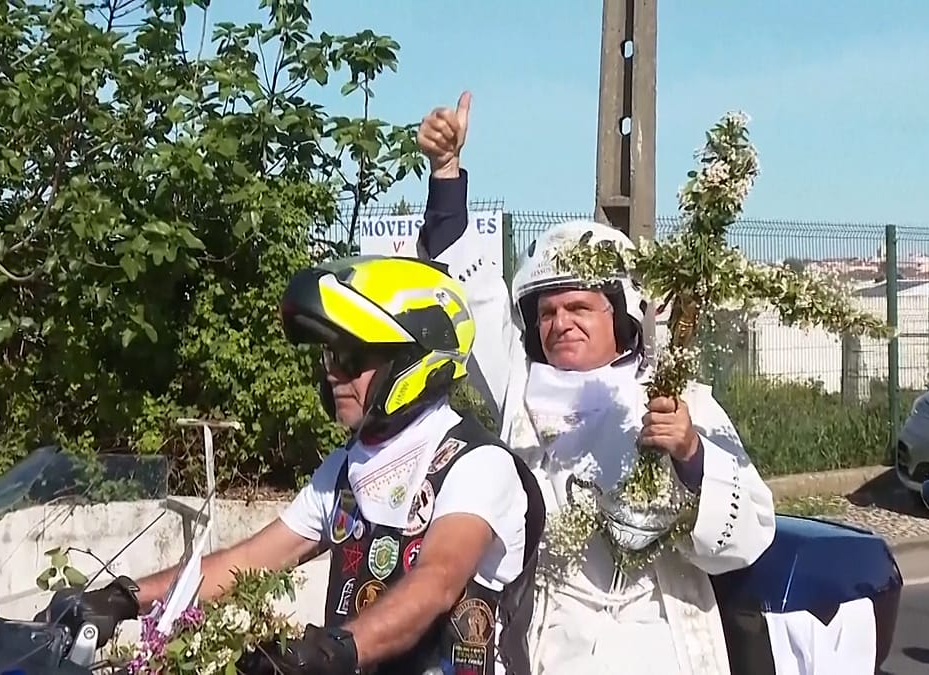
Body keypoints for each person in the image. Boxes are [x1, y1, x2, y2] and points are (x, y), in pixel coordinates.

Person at [414, 91, 777, 674]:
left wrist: (689, 453)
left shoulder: (679, 399)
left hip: (660, 643)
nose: (561, 324)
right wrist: (447, 173)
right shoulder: (523, 395)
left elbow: (750, 535)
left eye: (580, 306)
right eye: (547, 312)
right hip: (547, 641)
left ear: (623, 314)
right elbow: (473, 298)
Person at [43, 255, 545, 675]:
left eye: (350, 358)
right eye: (327, 359)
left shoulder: (476, 464)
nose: (332, 376)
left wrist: (331, 651)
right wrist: (125, 597)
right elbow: (250, 562)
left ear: (413, 359)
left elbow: (436, 583)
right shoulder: (347, 468)